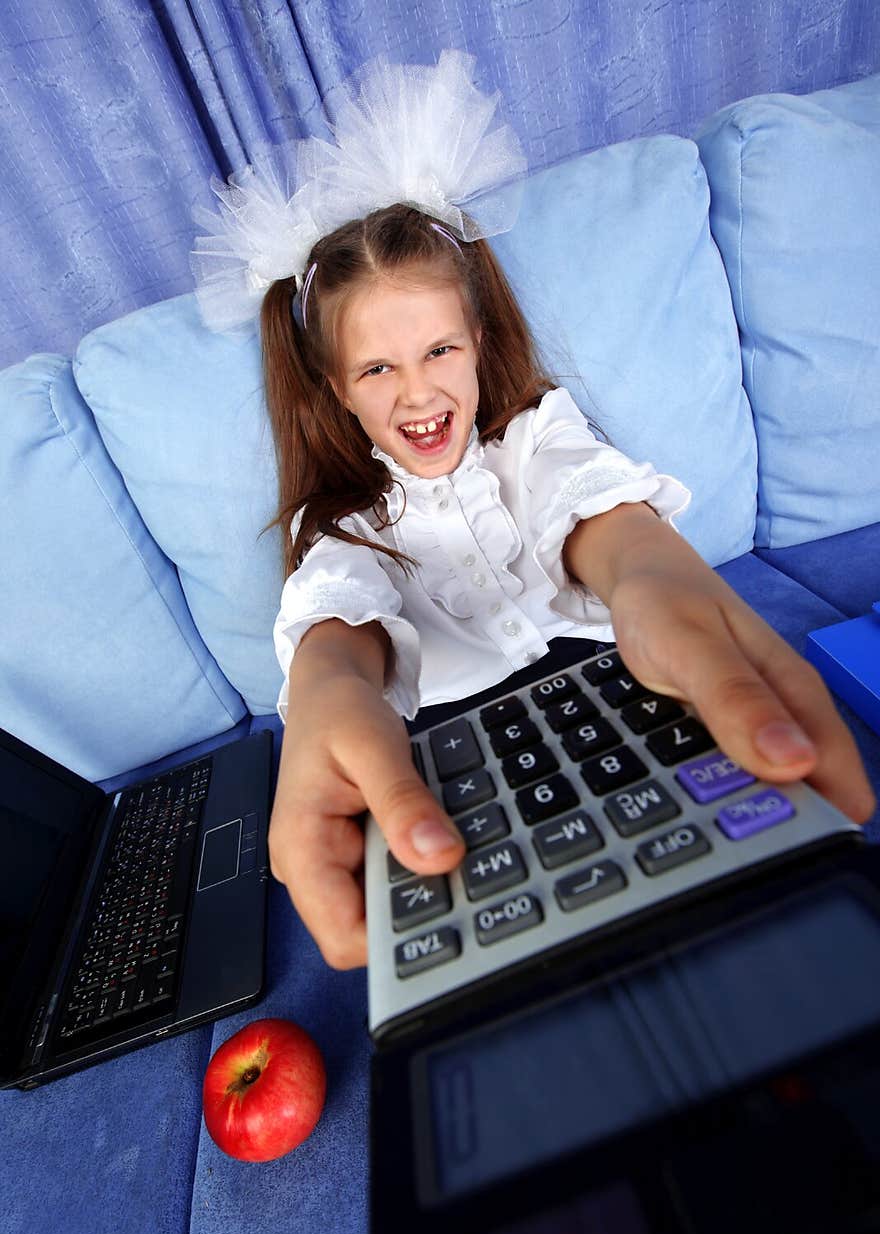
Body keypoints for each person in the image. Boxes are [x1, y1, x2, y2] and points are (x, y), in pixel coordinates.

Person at [192, 53, 875, 971]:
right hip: (455, 759)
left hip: (624, 677)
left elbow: (590, 504)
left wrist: (652, 570)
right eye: (377, 369)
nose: (418, 391)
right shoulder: (343, 524)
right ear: (335, 390)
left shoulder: (535, 438)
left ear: (478, 342)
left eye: (439, 348)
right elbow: (336, 610)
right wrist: (326, 688)